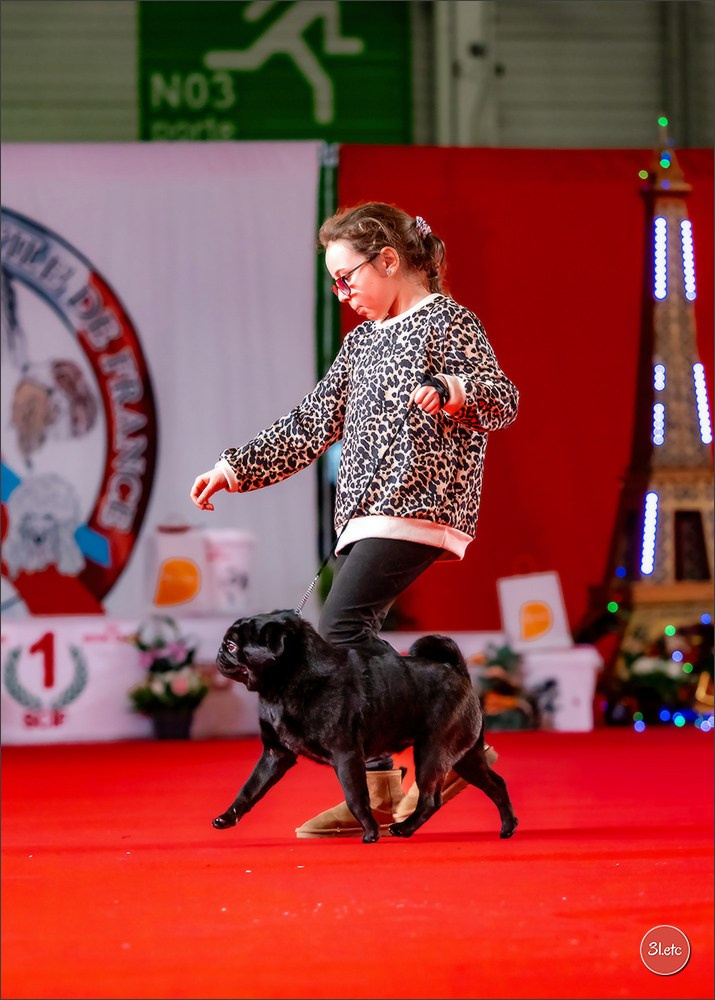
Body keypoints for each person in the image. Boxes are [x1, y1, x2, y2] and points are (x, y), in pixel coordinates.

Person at [190, 202, 519, 838]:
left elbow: (501, 397)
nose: (343, 295)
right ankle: (406, 765)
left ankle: (427, 744)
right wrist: (236, 468)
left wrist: (454, 391)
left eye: (348, 278)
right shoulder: (359, 344)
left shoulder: (447, 322)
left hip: (421, 507)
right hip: (364, 516)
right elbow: (313, 423)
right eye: (333, 284)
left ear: (389, 261)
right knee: (345, 635)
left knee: (337, 631)